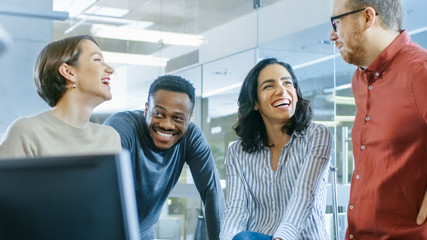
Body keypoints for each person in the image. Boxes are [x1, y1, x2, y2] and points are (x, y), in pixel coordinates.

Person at [329, 0, 427, 239]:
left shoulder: (419, 70)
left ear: (367, 18)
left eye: (337, 22)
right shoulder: (359, 80)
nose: (332, 35)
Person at [220, 58, 332, 240]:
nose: (282, 90)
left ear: (295, 93)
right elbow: (235, 210)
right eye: (268, 86)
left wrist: (280, 238)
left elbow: (304, 195)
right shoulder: (237, 152)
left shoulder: (317, 135)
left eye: (287, 83)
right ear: (255, 102)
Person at [104, 75, 225, 240]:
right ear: (146, 109)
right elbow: (101, 187)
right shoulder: (122, 127)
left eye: (178, 118)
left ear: (189, 119)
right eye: (159, 114)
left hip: (145, 234)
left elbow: (212, 192)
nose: (167, 125)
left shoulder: (192, 137)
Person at [0, 35, 121, 158]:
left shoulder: (110, 138)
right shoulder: (26, 132)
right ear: (68, 72)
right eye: (97, 60)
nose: (110, 69)